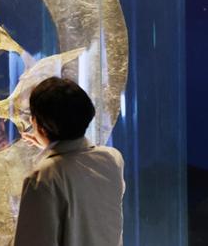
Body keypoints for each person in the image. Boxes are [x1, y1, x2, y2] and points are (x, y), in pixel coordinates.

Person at [14, 77, 125, 246]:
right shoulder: (112, 160)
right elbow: (75, 165)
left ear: (40, 126)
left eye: (32, 116)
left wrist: (51, 150)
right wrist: (51, 146)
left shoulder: (42, 178)